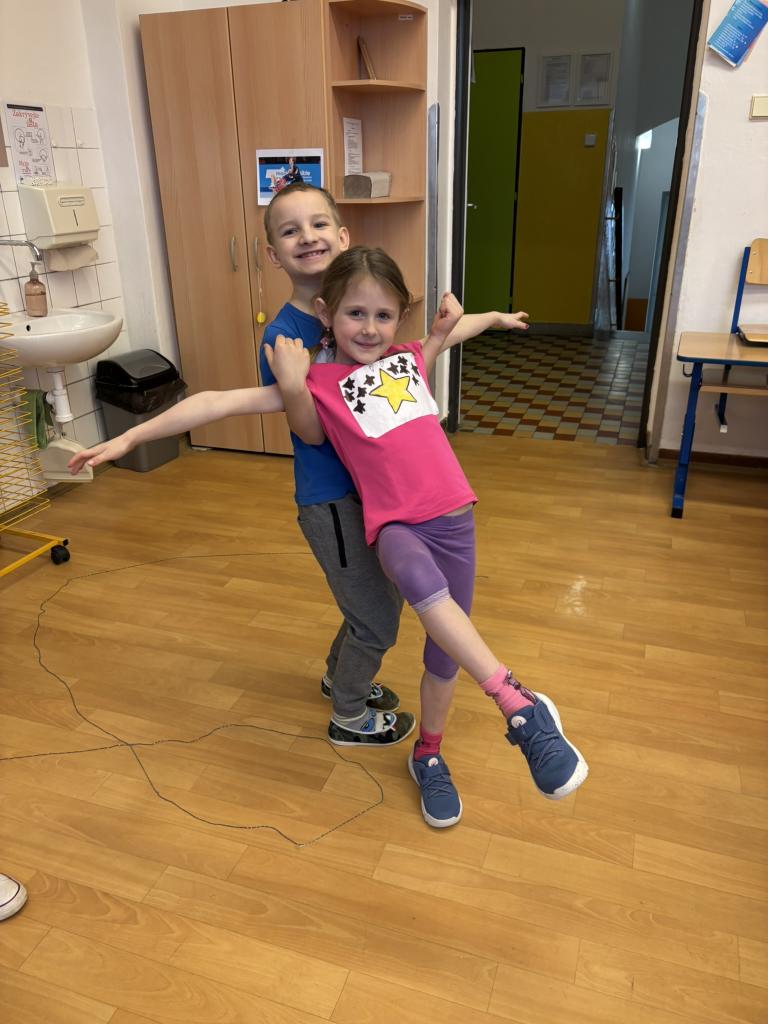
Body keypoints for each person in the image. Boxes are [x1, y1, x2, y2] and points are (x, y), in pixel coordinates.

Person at [72, 183, 528, 757]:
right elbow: (290, 424)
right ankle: (349, 713)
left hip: (381, 498)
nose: (308, 237)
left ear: (343, 236)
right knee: (376, 619)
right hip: (333, 498)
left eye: (319, 224)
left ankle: (342, 675)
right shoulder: (286, 337)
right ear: (274, 255)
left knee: (375, 601)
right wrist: (130, 435)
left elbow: (432, 341)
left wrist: (493, 316)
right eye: (290, 231)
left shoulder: (369, 313)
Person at [264, 245, 588, 826]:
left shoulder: (407, 359)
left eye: (383, 315)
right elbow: (246, 412)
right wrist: (131, 439)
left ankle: (428, 754)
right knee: (409, 581)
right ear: (328, 314)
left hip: (453, 520)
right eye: (356, 314)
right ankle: (515, 702)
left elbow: (449, 333)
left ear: (400, 319)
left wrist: (493, 318)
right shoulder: (323, 381)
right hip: (392, 524)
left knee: (444, 655)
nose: (370, 327)